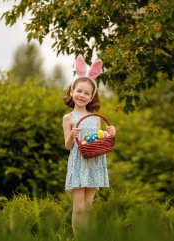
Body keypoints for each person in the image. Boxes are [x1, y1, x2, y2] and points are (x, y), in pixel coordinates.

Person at [62, 55, 116, 234]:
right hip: (78, 163)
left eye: (87, 93)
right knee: (78, 208)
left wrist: (110, 133)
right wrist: (72, 135)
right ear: (72, 91)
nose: (82, 95)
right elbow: (68, 146)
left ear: (92, 97)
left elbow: (99, 139)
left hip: (93, 162)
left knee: (88, 207)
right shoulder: (68, 118)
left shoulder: (94, 117)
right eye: (79, 91)